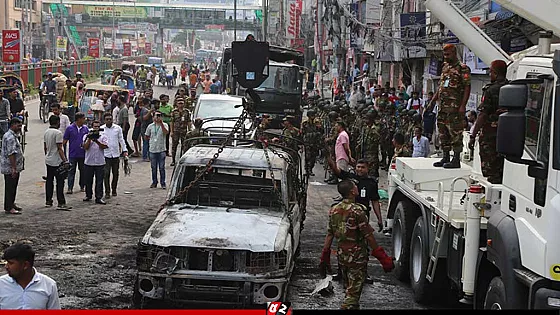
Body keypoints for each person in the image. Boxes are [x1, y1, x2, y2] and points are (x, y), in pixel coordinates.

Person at [319, 180, 394, 309]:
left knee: (349, 290)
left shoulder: (334, 210)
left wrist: (325, 255)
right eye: (355, 187)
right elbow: (368, 236)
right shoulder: (358, 211)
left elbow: (330, 234)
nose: (357, 188)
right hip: (357, 258)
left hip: (342, 257)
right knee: (352, 297)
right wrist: (382, 257)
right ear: (352, 192)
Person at [427, 44, 471, 169]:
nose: (445, 57)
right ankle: (445, 156)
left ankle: (455, 159)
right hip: (442, 107)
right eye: (444, 54)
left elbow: (467, 87)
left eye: (448, 54)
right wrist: (432, 101)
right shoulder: (445, 67)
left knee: (455, 133)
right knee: (443, 133)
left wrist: (463, 105)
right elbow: (441, 88)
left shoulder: (463, 68)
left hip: (455, 108)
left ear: (454, 52)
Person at [469, 59, 508, 184]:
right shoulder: (512, 87)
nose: (489, 74)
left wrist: (473, 135)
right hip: (507, 134)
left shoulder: (490, 90)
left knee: (490, 167)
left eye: (490, 72)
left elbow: (483, 115)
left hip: (490, 134)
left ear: (495, 73)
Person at [0, 243, 61, 309]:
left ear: (25, 265)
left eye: (11, 263)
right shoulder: (1, 284)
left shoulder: (49, 285)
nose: (6, 266)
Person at [44, 115, 70, 210]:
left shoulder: (46, 132)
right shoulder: (58, 133)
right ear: (58, 122)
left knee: (49, 181)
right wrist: (65, 161)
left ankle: (48, 200)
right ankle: (61, 202)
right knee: (60, 182)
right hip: (57, 161)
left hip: (49, 159)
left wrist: (48, 155)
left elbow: (45, 147)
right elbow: (60, 148)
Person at [101, 112, 127, 199]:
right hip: (105, 154)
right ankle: (107, 191)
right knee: (106, 173)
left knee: (115, 173)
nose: (109, 121)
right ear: (104, 120)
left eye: (110, 119)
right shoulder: (101, 129)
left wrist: (124, 150)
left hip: (115, 154)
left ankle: (114, 189)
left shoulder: (117, 128)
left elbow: (121, 140)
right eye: (107, 119)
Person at [1, 118, 24, 215]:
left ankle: (11, 203)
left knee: (13, 186)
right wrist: (14, 168)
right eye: (18, 126)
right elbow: (11, 153)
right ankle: (9, 207)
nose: (19, 128)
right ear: (13, 125)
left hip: (13, 167)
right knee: (10, 187)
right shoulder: (10, 137)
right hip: (10, 167)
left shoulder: (13, 135)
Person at [63, 112, 89, 194]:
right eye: (83, 118)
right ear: (79, 119)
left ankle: (82, 186)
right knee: (71, 171)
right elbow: (65, 141)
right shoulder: (69, 128)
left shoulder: (85, 129)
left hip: (83, 153)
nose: (84, 120)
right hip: (73, 154)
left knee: (83, 171)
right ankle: (70, 188)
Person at [83, 120, 108, 205]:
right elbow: (85, 147)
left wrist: (96, 140)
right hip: (89, 161)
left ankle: (99, 197)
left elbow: (104, 146)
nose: (96, 128)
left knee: (99, 181)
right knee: (88, 180)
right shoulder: (86, 136)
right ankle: (88, 195)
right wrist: (90, 139)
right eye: (95, 126)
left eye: (98, 127)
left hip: (100, 162)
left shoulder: (103, 136)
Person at [145, 111, 169, 189]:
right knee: (153, 167)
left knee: (162, 167)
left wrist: (161, 123)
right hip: (152, 149)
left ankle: (163, 183)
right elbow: (146, 136)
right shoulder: (150, 126)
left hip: (161, 149)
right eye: (156, 115)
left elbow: (166, 132)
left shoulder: (165, 125)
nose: (158, 117)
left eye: (159, 115)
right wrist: (151, 140)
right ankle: (154, 182)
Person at [170, 99, 192, 166]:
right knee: (174, 146)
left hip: (184, 131)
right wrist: (171, 131)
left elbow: (189, 121)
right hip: (176, 131)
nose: (180, 105)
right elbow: (172, 122)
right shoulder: (174, 112)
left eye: (182, 103)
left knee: (184, 146)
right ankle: (173, 160)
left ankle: (183, 159)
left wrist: (189, 130)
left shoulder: (187, 112)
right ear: (177, 104)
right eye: (179, 103)